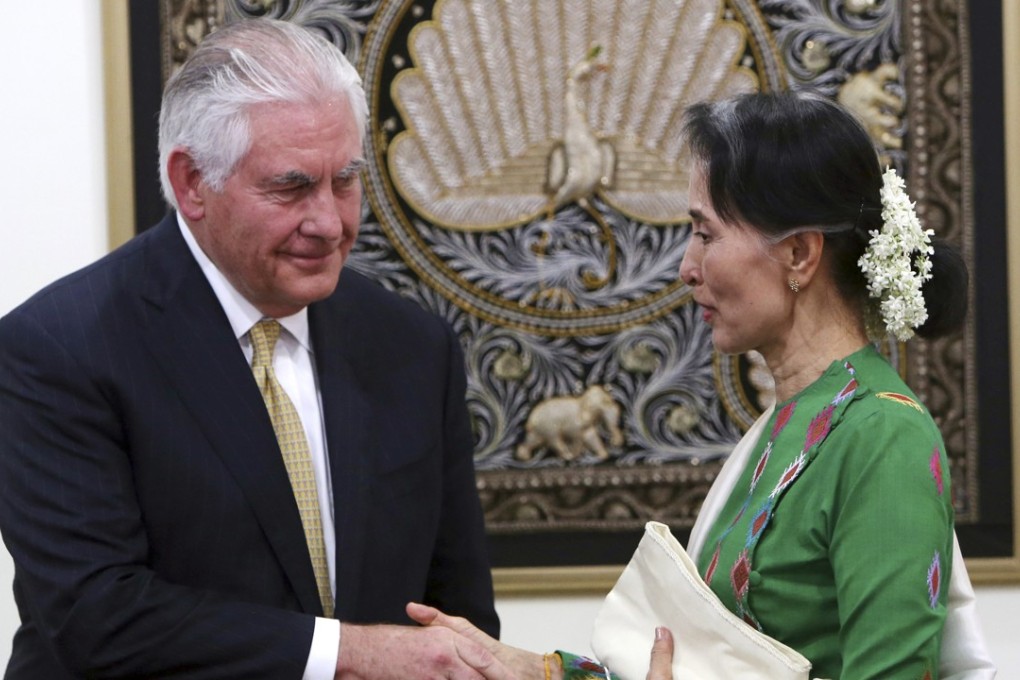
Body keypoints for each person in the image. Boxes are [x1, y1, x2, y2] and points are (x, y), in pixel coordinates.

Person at [408, 90, 995, 679]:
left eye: (706, 234)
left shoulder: (881, 436)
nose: (687, 266)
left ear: (798, 254)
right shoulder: (795, 422)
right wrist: (531, 669)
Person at [0, 18, 511, 680]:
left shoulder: (413, 345)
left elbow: (455, 616)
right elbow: (99, 618)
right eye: (291, 187)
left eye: (347, 180)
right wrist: (349, 654)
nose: (330, 222)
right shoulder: (60, 349)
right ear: (191, 183)